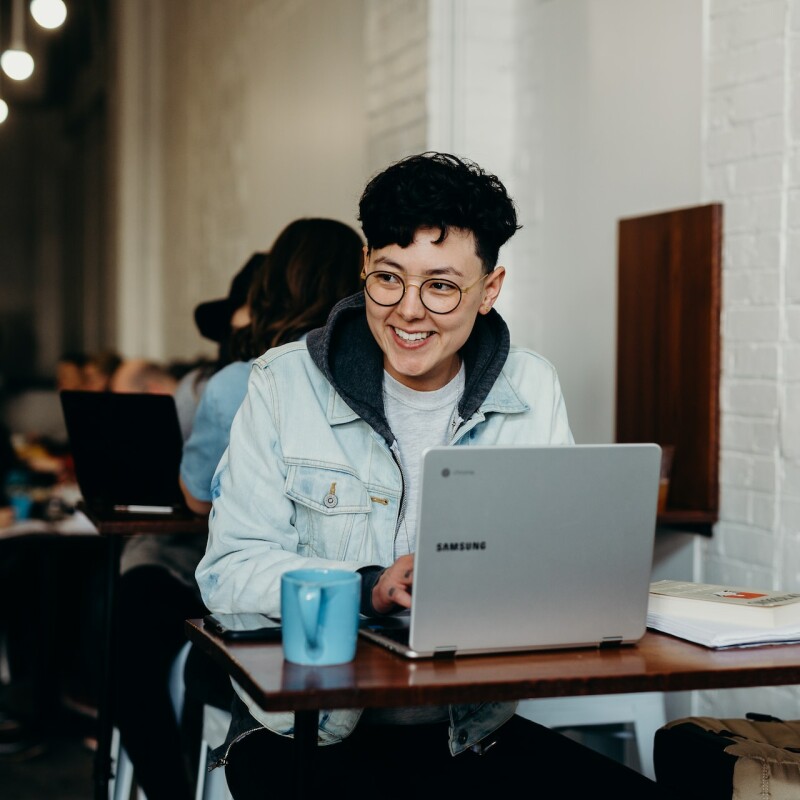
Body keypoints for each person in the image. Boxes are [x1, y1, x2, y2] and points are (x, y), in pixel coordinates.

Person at [196, 152, 672, 799]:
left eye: (441, 286)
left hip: (467, 735)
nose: (409, 311)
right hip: (308, 735)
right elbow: (227, 573)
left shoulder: (531, 385)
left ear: (490, 289)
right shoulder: (283, 383)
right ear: (364, 265)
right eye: (389, 278)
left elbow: (555, 570)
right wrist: (366, 586)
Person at [112, 254, 266, 800]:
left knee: (129, 641)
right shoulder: (208, 385)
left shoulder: (232, 383)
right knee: (130, 631)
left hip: (204, 565)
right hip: (186, 557)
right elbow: (183, 485)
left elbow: (191, 493)